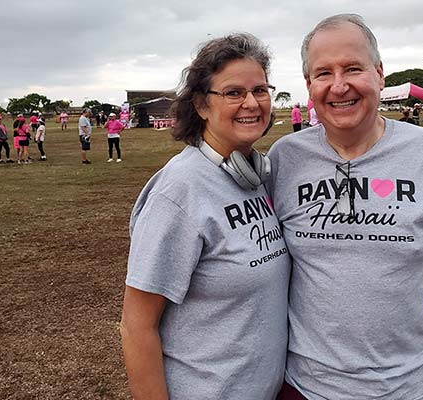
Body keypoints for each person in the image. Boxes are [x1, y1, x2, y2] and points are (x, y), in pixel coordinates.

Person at [268, 14, 423, 400]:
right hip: (305, 388)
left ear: (380, 74)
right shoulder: (284, 159)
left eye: (353, 68)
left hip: (408, 388)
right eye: (323, 73)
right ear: (309, 85)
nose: (339, 86)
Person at [120, 33, 290, 400]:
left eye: (260, 90)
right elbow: (137, 325)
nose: (251, 103)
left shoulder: (255, 174)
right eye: (233, 93)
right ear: (200, 105)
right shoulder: (179, 191)